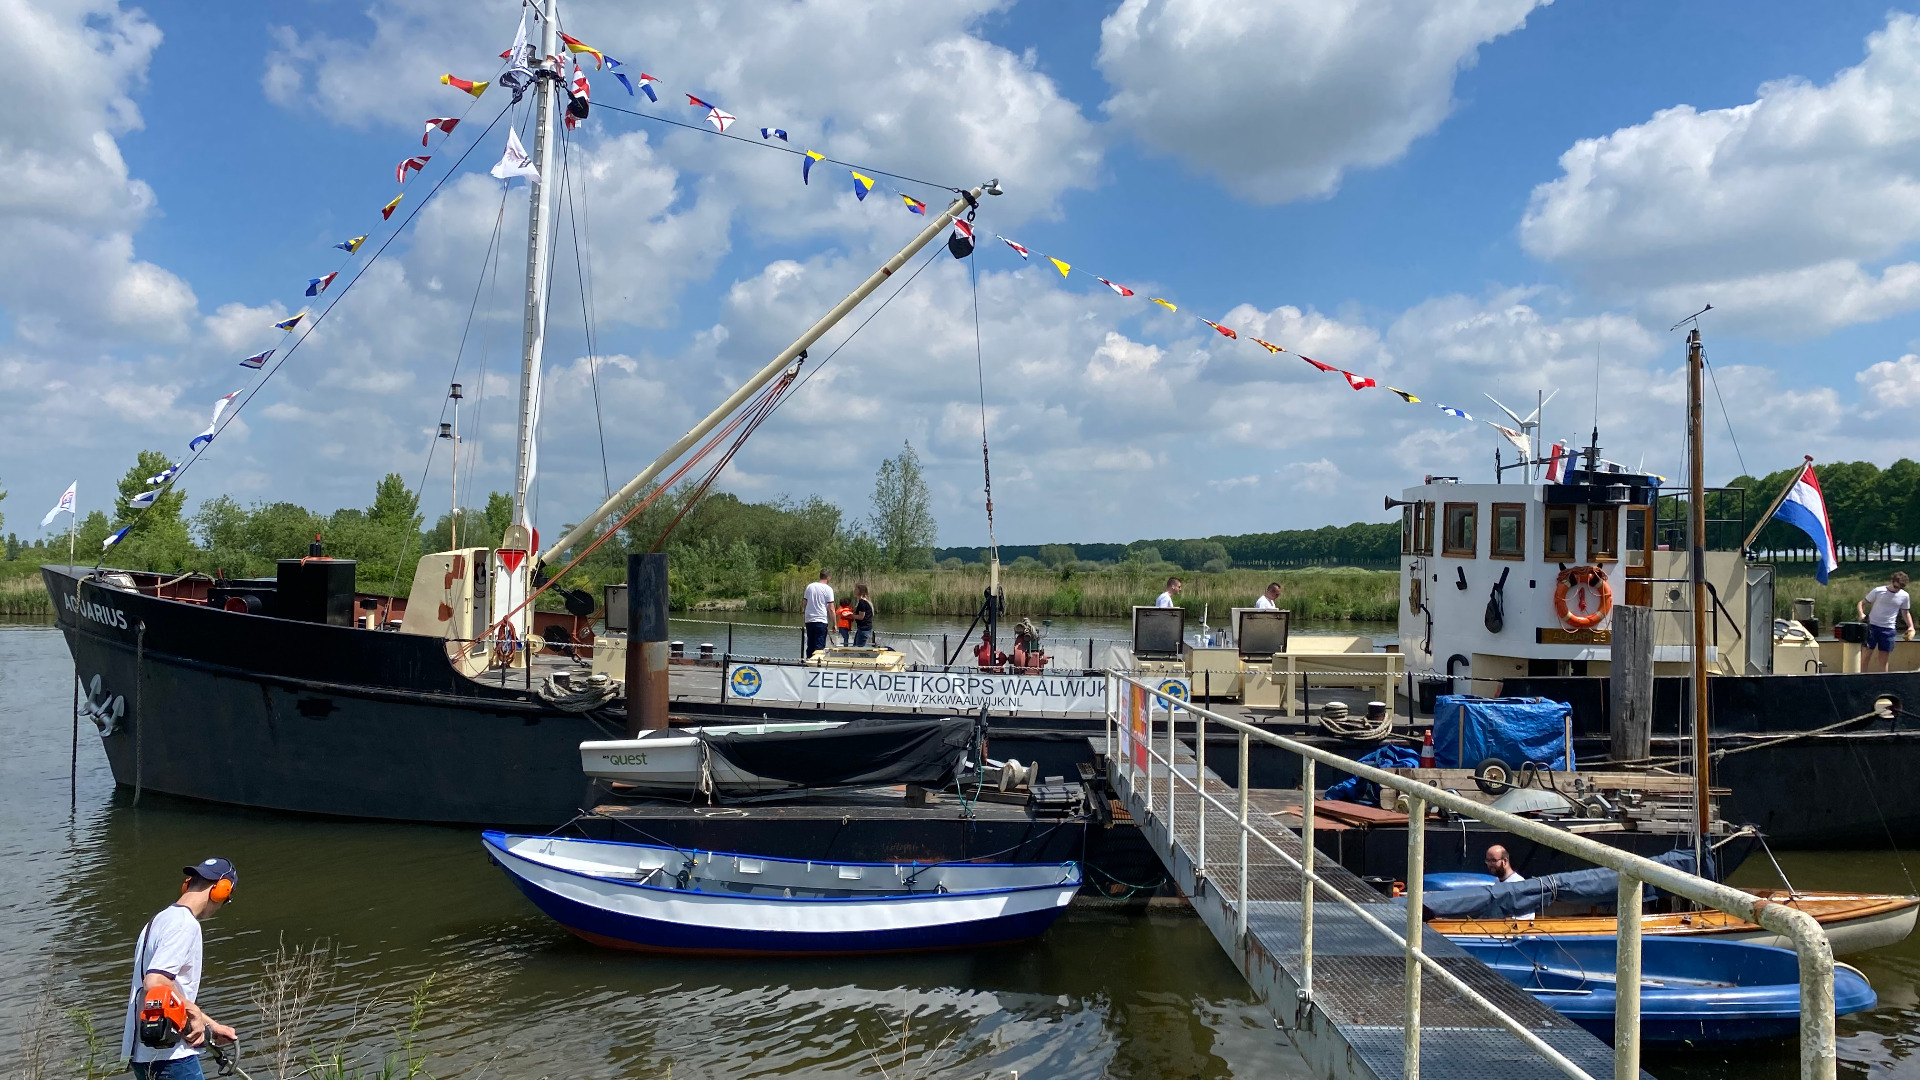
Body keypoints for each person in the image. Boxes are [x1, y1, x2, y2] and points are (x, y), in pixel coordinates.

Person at [122, 858, 240, 1080]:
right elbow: (155, 982)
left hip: (144, 1052)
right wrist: (193, 1012)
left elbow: (171, 991)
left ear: (188, 884)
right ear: (222, 890)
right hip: (170, 1056)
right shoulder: (185, 925)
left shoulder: (159, 920)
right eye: (227, 898)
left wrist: (211, 1026)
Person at [1858, 571, 1916, 674]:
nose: (1896, 590)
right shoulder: (1878, 591)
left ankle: (1883, 681)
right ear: (1892, 581)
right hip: (1872, 627)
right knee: (1866, 655)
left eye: (1900, 588)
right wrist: (1861, 614)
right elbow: (1861, 603)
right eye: (1895, 586)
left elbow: (1905, 612)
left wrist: (1911, 626)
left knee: (1883, 659)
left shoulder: (1904, 596)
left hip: (1888, 629)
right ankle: (1862, 677)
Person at [1484, 845, 1534, 920]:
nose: (1490, 864)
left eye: (1493, 860)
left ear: (1504, 861)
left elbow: (1528, 915)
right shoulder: (1497, 881)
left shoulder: (1518, 883)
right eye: (1488, 861)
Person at [802, 570, 834, 657]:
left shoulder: (810, 586)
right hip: (821, 620)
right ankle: (816, 665)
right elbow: (831, 608)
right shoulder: (828, 589)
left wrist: (805, 614)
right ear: (828, 577)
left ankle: (808, 663)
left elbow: (804, 602)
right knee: (819, 647)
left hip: (809, 620)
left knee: (810, 645)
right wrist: (835, 623)